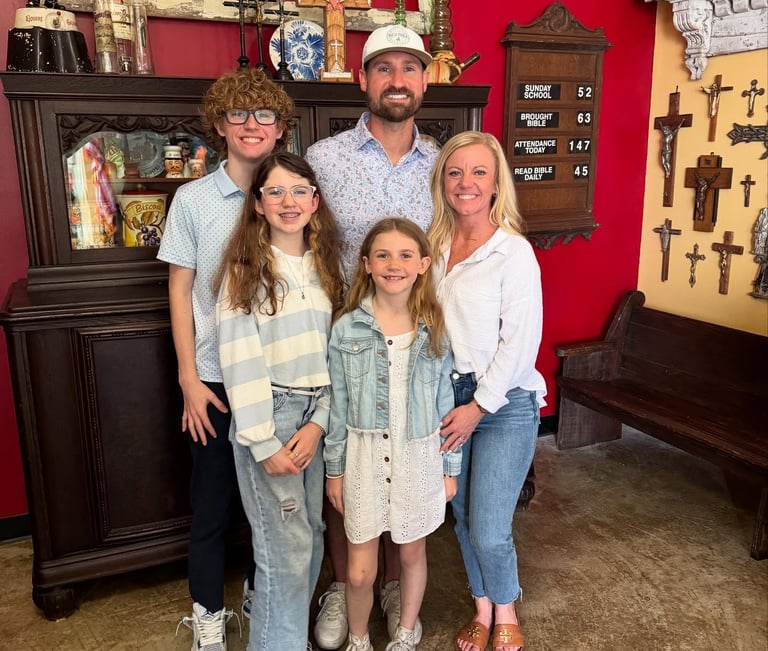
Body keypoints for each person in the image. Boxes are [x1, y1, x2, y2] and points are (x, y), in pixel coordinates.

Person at [305, 24, 436, 649]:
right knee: (351, 470)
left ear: (425, 80)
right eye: (383, 68)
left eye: (409, 68)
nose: (397, 80)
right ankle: (343, 583)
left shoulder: (440, 166)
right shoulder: (326, 159)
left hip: (414, 338)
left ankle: (390, 586)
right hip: (343, 338)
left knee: (403, 462)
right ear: (363, 79)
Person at [158, 68, 296, 651]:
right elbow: (180, 291)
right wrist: (189, 377)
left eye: (263, 114)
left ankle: (265, 601)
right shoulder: (192, 200)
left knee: (277, 510)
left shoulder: (290, 194)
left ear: (280, 127)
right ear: (219, 126)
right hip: (214, 378)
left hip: (281, 376)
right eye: (238, 115)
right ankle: (209, 616)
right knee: (212, 503)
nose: (250, 125)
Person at [216, 151, 345, 649]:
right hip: (269, 416)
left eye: (298, 191)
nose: (288, 201)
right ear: (258, 205)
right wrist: (263, 440)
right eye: (275, 191)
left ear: (315, 201)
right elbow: (238, 356)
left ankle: (284, 638)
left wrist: (320, 422)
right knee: (283, 554)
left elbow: (336, 352)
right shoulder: (246, 270)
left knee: (308, 540)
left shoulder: (325, 265)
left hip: (314, 414)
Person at [426, 132, 547, 651]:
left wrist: (478, 405)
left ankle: (506, 609)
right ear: (442, 183)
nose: (466, 183)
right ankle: (480, 608)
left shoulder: (513, 253)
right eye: (455, 173)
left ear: (497, 183)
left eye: (478, 172)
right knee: (462, 515)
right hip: (443, 396)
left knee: (492, 526)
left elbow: (520, 345)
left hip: (503, 402)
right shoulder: (430, 248)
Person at [324, 217, 460, 651]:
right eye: (382, 255)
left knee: (411, 553)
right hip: (364, 458)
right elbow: (338, 405)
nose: (393, 264)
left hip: (418, 456)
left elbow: (445, 405)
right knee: (361, 571)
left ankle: (405, 633)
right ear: (365, 264)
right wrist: (334, 471)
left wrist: (449, 467)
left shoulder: (433, 328)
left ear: (422, 264)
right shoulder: (347, 329)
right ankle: (359, 639)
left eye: (405, 255)